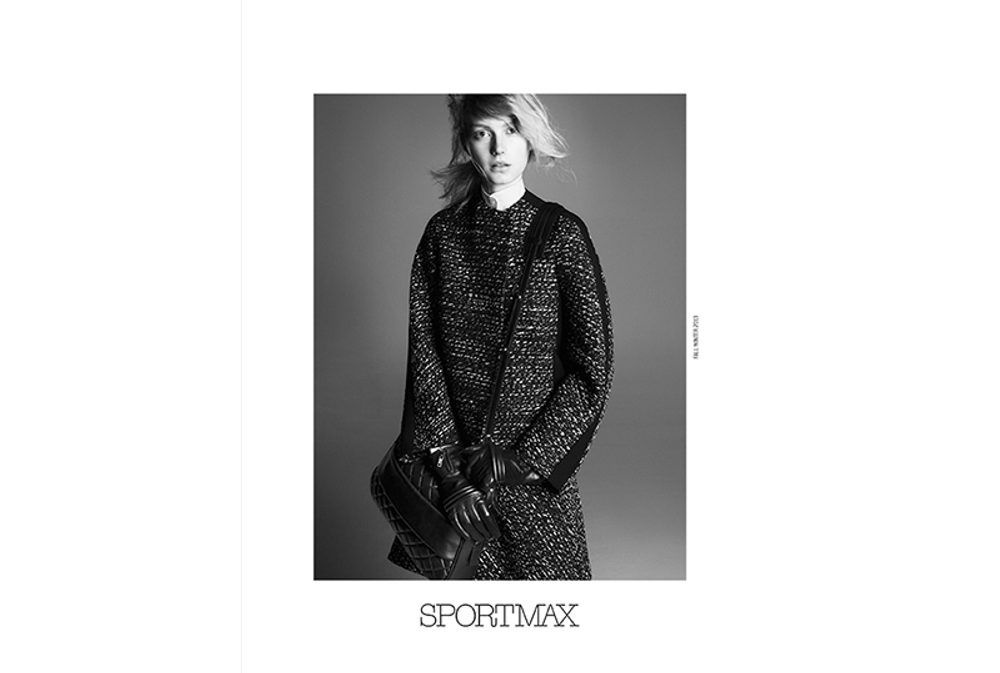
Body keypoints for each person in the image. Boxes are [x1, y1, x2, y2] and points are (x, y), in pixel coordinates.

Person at [387, 95, 614, 580]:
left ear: (530, 137)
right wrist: (448, 473)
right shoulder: (441, 235)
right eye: (482, 133)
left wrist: (527, 460)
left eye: (510, 130)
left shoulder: (561, 234)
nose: (498, 147)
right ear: (465, 143)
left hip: (529, 473)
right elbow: (424, 358)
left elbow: (592, 369)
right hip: (459, 485)